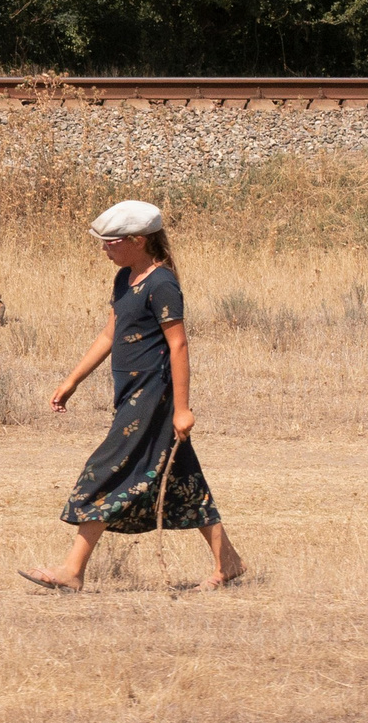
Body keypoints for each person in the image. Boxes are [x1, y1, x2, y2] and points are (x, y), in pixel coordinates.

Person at [19, 199, 245, 592]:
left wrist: (182, 409)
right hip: (129, 393)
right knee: (183, 479)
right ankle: (229, 562)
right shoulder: (125, 279)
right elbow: (110, 334)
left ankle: (72, 571)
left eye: (111, 241)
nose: (104, 248)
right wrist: (72, 380)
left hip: (153, 396)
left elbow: (179, 346)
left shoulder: (162, 284)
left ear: (138, 241)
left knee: (105, 471)